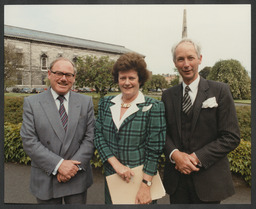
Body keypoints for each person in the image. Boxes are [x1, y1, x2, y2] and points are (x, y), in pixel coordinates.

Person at [162, 38, 240, 204]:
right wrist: (175, 155)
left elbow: (231, 136)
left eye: (191, 58)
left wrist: (196, 158)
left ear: (200, 59)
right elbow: (162, 132)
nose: (186, 64)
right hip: (177, 181)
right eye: (180, 59)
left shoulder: (220, 91)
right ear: (174, 62)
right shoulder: (168, 95)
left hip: (209, 181)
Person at [20, 57, 95, 204]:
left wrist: (72, 168)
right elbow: (29, 140)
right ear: (49, 74)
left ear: (74, 78)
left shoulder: (86, 102)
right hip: (46, 176)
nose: (63, 78)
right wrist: (59, 165)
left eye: (68, 75)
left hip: (77, 177)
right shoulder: (32, 103)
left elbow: (90, 137)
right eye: (58, 73)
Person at [94, 52, 166, 204]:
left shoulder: (154, 106)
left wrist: (146, 185)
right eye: (122, 78)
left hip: (140, 181)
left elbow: (154, 150)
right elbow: (98, 135)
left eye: (131, 78)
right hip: (113, 178)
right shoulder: (106, 103)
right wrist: (116, 164)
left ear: (140, 80)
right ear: (117, 79)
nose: (127, 82)